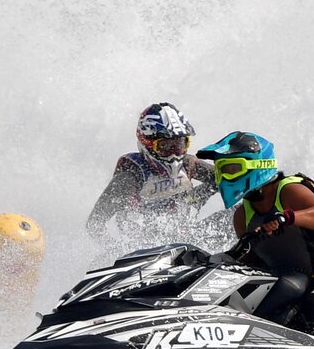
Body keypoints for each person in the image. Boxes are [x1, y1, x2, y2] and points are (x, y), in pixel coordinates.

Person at [195, 131, 314, 337]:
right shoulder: (242, 215)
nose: (224, 177)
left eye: (231, 169)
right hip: (289, 285)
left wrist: (287, 218)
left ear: (258, 165)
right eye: (221, 171)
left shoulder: (288, 190)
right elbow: (253, 260)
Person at [86, 103, 218, 251]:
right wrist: (117, 251)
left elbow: (227, 180)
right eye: (165, 146)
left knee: (239, 213)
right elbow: (95, 223)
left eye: (180, 144)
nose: (174, 153)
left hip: (188, 240)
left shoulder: (188, 164)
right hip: (144, 251)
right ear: (147, 144)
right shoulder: (131, 175)